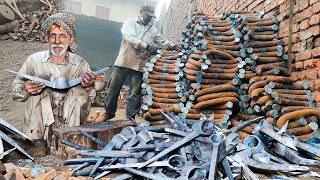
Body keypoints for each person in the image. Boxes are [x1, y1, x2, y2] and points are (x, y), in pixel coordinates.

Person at [11, 13, 96, 141]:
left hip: (70, 122)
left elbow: (91, 98)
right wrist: (25, 88)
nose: (57, 41)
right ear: (46, 38)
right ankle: (35, 143)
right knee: (37, 84)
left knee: (78, 92)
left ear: (71, 39)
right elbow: (15, 92)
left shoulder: (81, 64)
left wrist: (89, 86)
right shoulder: (33, 60)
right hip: (40, 125)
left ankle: (70, 140)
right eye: (53, 35)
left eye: (62, 35)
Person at [104, 5, 179, 120]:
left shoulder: (153, 29)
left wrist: (173, 46)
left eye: (151, 16)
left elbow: (162, 41)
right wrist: (147, 46)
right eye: (147, 15)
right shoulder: (131, 23)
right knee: (113, 89)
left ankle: (131, 118)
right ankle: (108, 114)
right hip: (125, 60)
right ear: (141, 12)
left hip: (140, 65)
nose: (149, 18)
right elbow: (130, 38)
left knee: (135, 93)